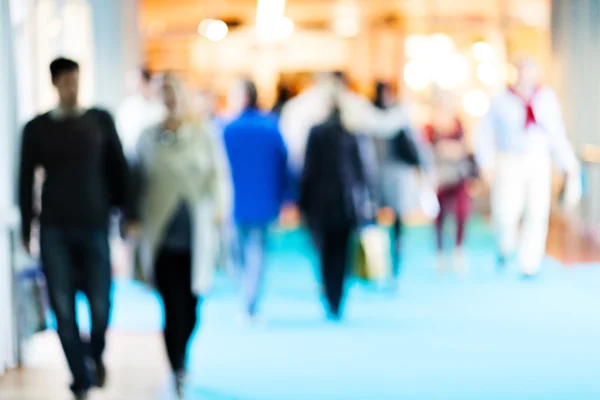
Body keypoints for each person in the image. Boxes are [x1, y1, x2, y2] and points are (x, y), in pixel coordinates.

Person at [18, 57, 129, 400]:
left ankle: (93, 356)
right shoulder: (37, 128)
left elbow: (119, 169)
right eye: (66, 81)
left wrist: (125, 215)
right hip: (55, 228)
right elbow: (24, 181)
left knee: (100, 306)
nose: (72, 87)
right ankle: (80, 379)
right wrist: (26, 228)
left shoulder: (99, 120)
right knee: (63, 308)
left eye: (76, 80)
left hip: (95, 224)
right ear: (55, 83)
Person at [126, 74, 231, 397]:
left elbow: (218, 175)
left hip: (195, 235)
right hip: (161, 237)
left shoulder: (203, 134)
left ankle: (182, 355)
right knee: (171, 306)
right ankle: (176, 366)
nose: (171, 99)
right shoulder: (146, 137)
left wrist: (219, 212)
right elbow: (135, 181)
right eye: (165, 93)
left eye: (176, 92)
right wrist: (132, 222)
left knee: (192, 305)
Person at [476, 56, 581, 278]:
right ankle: (505, 248)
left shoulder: (546, 98)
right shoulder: (501, 99)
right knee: (506, 211)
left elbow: (557, 133)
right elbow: (484, 133)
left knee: (537, 211)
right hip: (509, 159)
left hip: (537, 160)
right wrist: (485, 163)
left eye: (530, 70)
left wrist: (568, 164)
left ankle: (530, 264)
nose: (526, 75)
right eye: (522, 70)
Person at [223, 79, 289, 321]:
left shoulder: (227, 129)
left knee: (240, 251)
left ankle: (246, 295)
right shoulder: (270, 127)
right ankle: (250, 299)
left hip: (235, 202)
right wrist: (284, 196)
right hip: (264, 201)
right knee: (256, 251)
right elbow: (284, 164)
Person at [299, 94, 367, 320]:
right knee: (341, 252)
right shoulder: (349, 135)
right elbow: (360, 173)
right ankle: (337, 295)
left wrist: (303, 203)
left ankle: (330, 293)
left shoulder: (317, 133)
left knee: (326, 251)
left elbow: (308, 171)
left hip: (322, 206)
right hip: (344, 206)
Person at [372, 81, 427, 281]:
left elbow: (414, 147)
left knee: (394, 218)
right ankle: (377, 260)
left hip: (393, 174)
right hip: (379, 173)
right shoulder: (373, 119)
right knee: (378, 219)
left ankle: (393, 255)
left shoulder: (396, 118)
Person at [425, 95, 473, 273]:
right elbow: (427, 152)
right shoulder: (430, 129)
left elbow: (464, 150)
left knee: (462, 213)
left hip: (458, 176)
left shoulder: (459, 126)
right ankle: (439, 252)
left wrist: (448, 149)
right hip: (439, 177)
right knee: (439, 216)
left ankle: (459, 250)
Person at [116, 68, 166, 158]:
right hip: (132, 154)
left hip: (155, 154)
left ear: (146, 82)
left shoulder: (159, 107)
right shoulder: (127, 106)